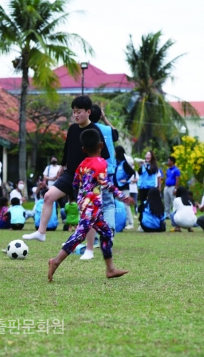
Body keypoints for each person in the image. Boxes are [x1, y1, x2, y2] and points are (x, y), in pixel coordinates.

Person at [47, 129, 133, 282]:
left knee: (106, 233)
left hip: (85, 202)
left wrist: (79, 198)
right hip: (92, 204)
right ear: (101, 145)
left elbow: (75, 183)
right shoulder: (102, 163)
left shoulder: (82, 164)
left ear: (84, 149)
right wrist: (122, 196)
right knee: (80, 234)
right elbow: (105, 183)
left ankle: (110, 269)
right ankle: (55, 261)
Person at [24, 95, 111, 243]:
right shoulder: (72, 129)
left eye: (79, 111)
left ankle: (89, 248)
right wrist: (62, 166)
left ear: (88, 112)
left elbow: (104, 156)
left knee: (87, 211)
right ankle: (41, 232)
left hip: (88, 177)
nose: (76, 115)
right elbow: (67, 149)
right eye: (74, 111)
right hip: (70, 174)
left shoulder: (95, 131)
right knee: (48, 196)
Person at [82, 104, 118, 260]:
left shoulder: (88, 129)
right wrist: (105, 118)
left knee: (93, 204)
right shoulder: (108, 130)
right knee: (109, 204)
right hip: (109, 169)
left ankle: (94, 237)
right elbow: (116, 134)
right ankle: (108, 234)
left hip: (93, 169)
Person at [113, 146, 136, 229]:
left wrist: (126, 180)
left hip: (124, 188)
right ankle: (122, 222)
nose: (113, 153)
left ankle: (131, 223)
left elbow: (132, 172)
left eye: (114, 151)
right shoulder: (115, 162)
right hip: (116, 188)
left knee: (126, 205)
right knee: (118, 206)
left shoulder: (124, 163)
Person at [136, 150, 160, 223]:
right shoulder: (143, 165)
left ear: (152, 156)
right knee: (142, 203)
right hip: (143, 187)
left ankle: (151, 219)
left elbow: (150, 173)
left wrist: (145, 165)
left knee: (149, 203)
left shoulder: (154, 165)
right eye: (146, 155)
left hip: (150, 188)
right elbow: (140, 173)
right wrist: (140, 166)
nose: (147, 156)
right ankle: (141, 220)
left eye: (149, 155)